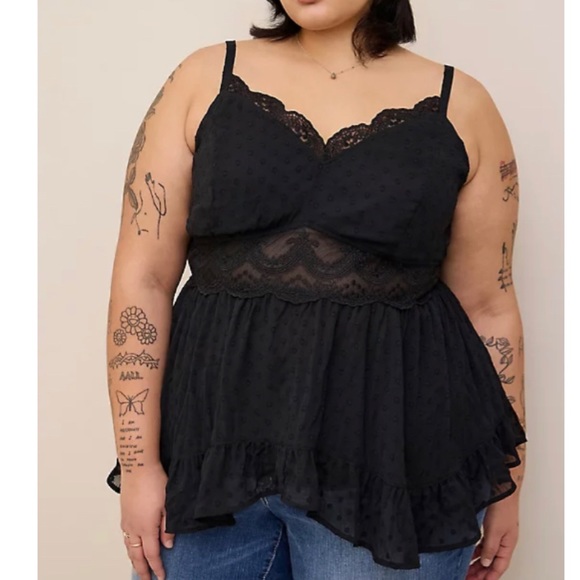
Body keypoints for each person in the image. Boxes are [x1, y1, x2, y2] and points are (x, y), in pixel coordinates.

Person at [105, 1, 528, 578]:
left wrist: (509, 480)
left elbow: (489, 308)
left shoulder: (464, 104)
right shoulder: (201, 78)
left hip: (394, 468)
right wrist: (138, 465)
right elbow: (143, 280)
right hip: (207, 456)